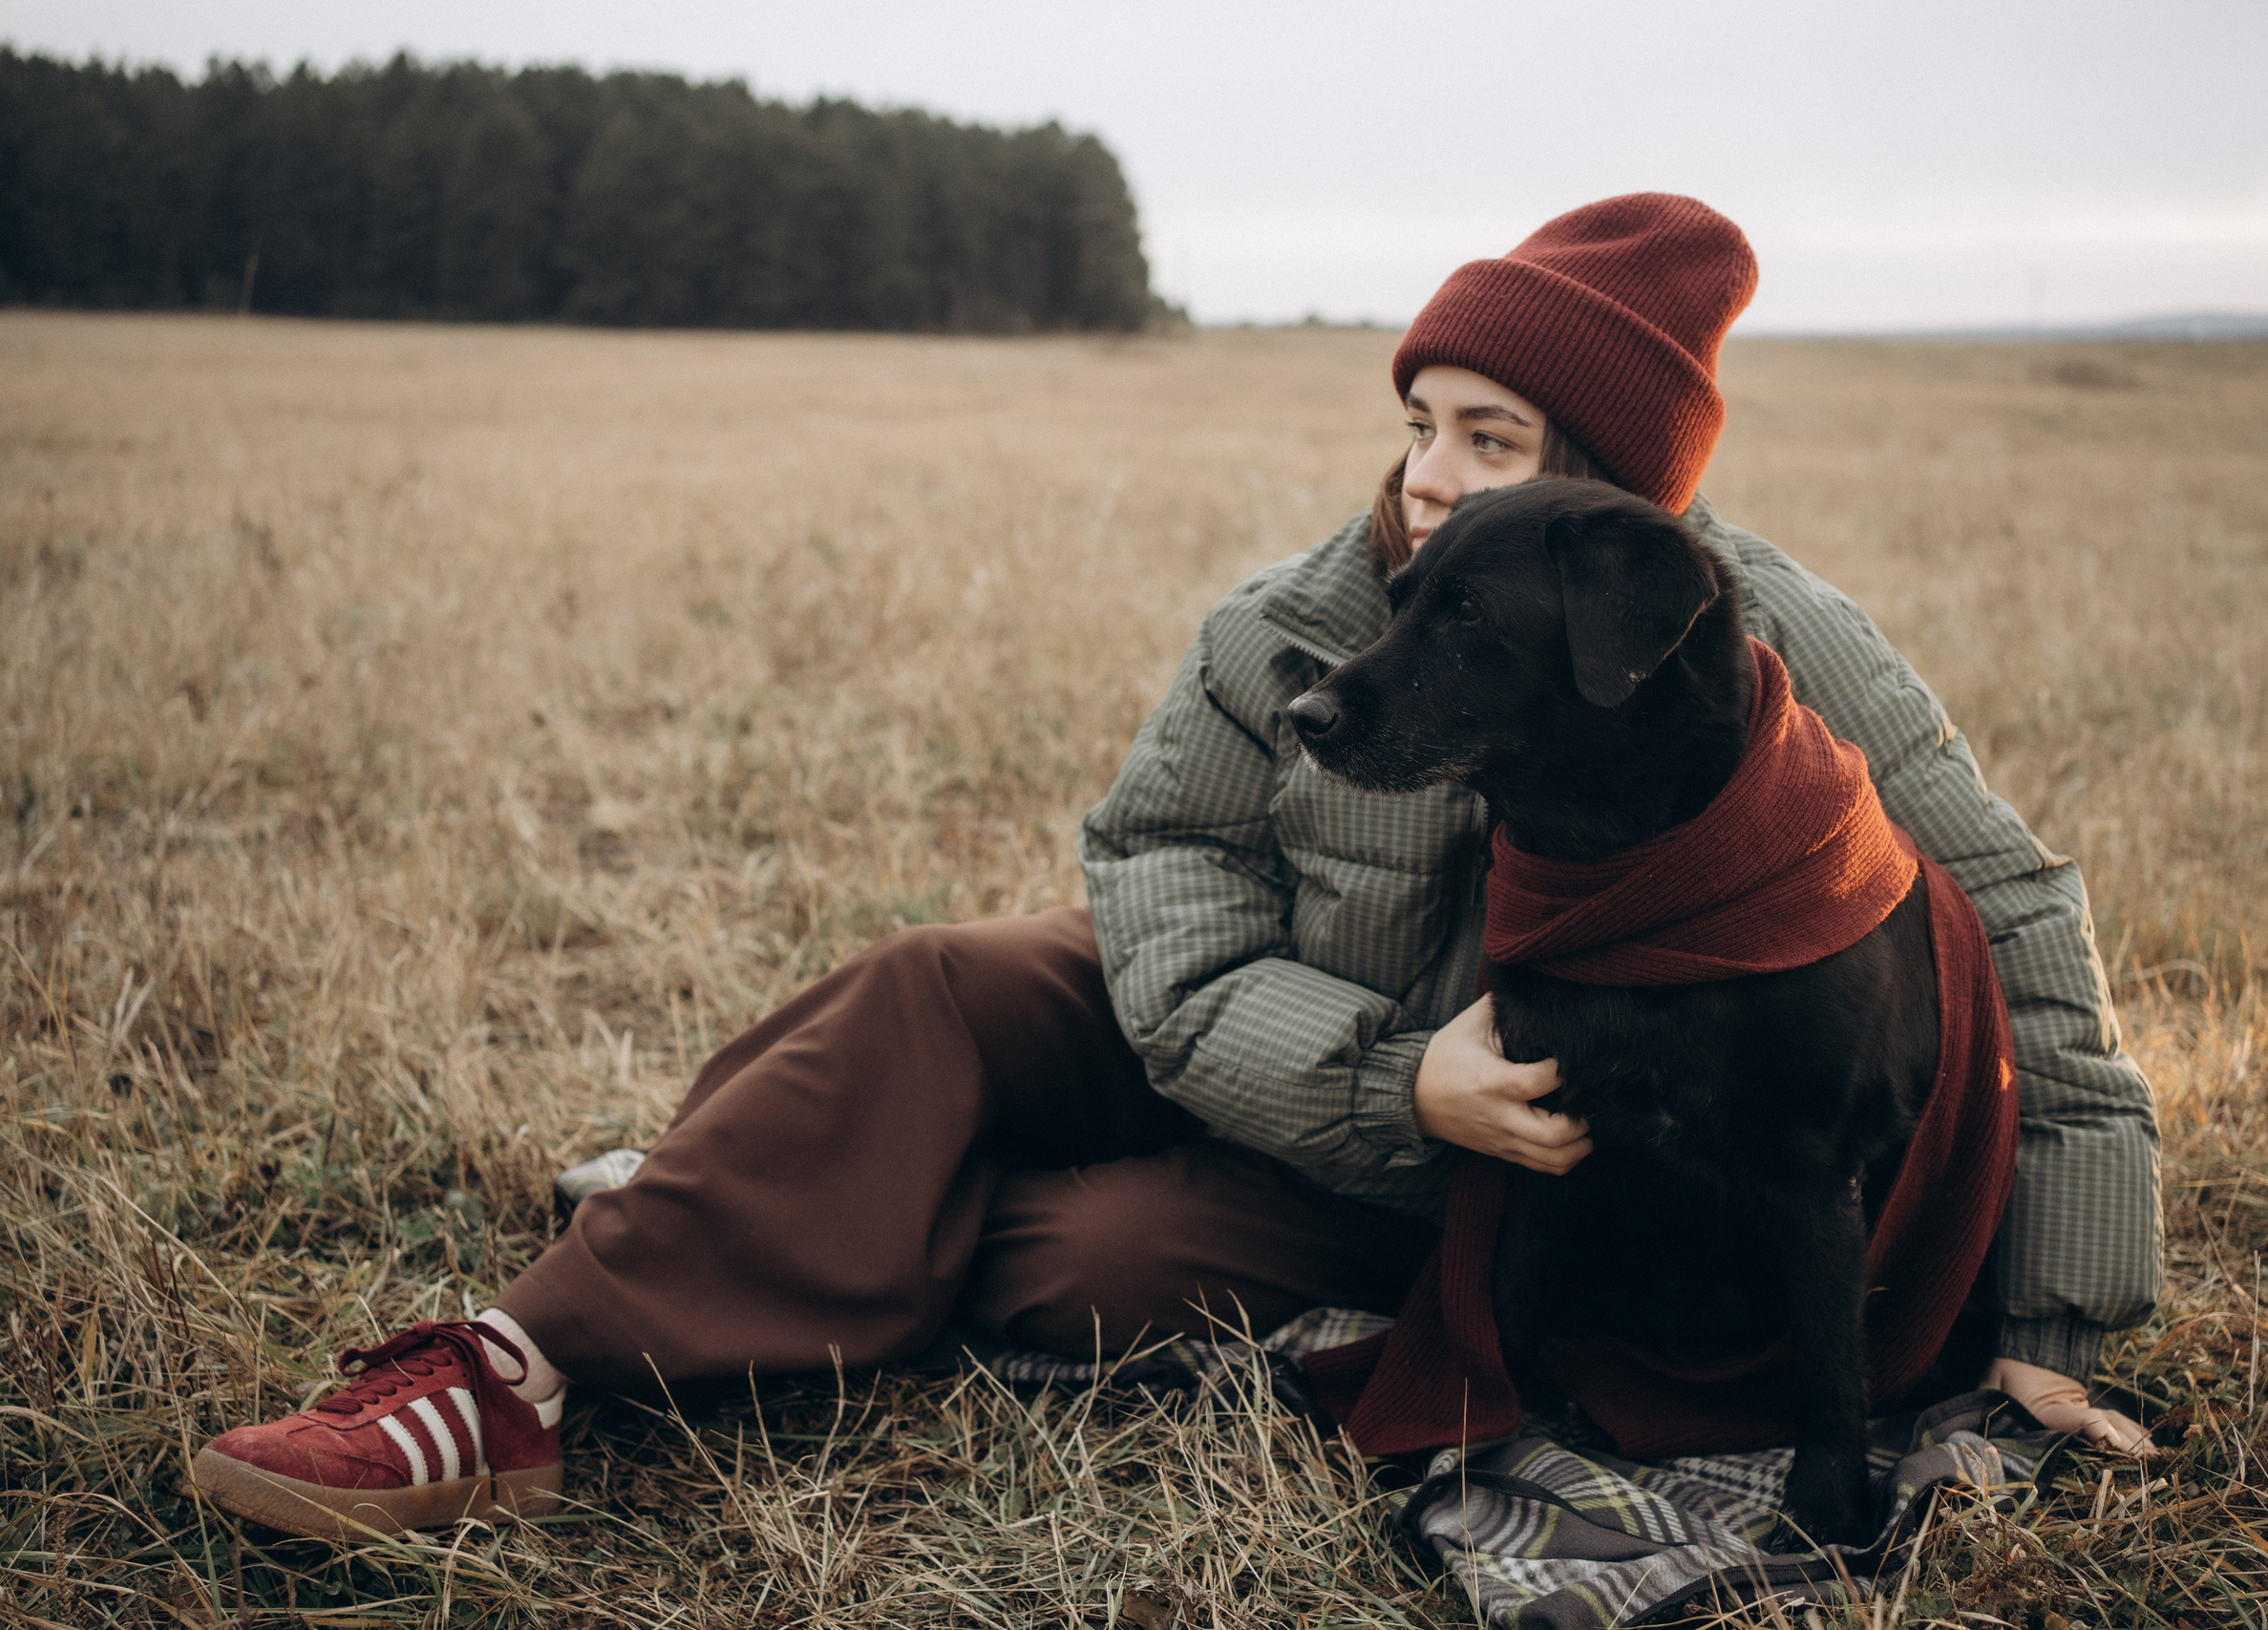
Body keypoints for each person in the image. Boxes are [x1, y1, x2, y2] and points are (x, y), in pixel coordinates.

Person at [189, 194, 2161, 1541]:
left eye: (1493, 439)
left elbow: (2011, 925)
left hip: (1481, 1191)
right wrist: (1377, 1068)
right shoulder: (1294, 623)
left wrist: (2051, 1328)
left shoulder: (1762, 658)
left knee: (1072, 1267)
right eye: (1416, 421)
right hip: (1272, 1043)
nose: (1425, 480)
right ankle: (501, 1375)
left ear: (1613, 513)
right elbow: (1153, 868)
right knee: (938, 984)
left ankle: (775, 1187)